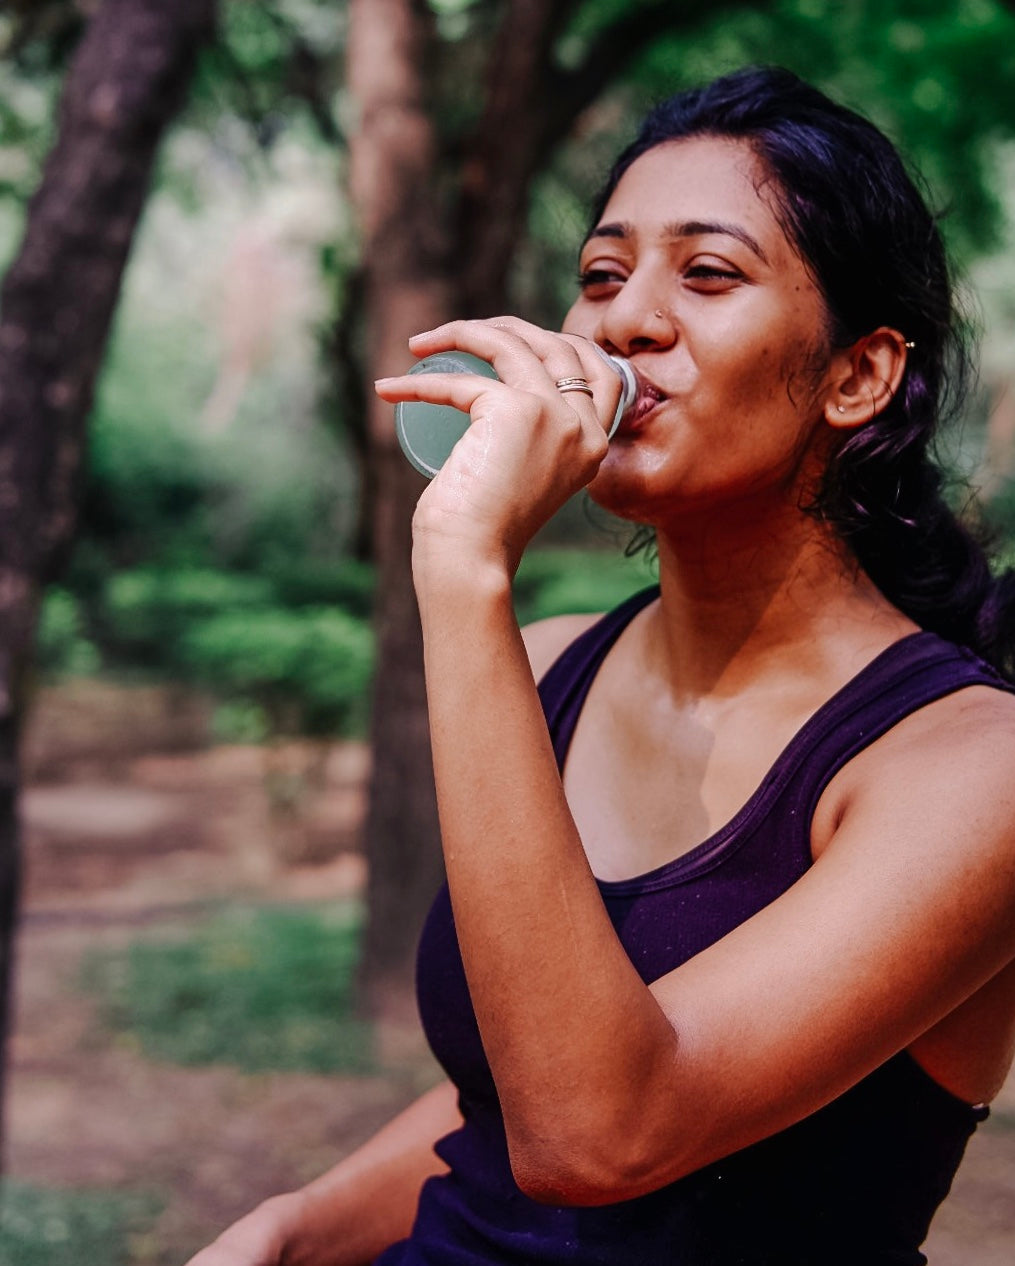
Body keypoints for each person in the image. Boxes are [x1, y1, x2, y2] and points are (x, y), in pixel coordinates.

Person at [185, 66, 1015, 1266]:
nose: (623, 320)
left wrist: (466, 564)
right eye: (602, 276)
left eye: (709, 273)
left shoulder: (969, 769)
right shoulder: (547, 668)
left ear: (856, 376)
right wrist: (293, 1226)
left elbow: (598, 1136)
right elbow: (508, 1098)